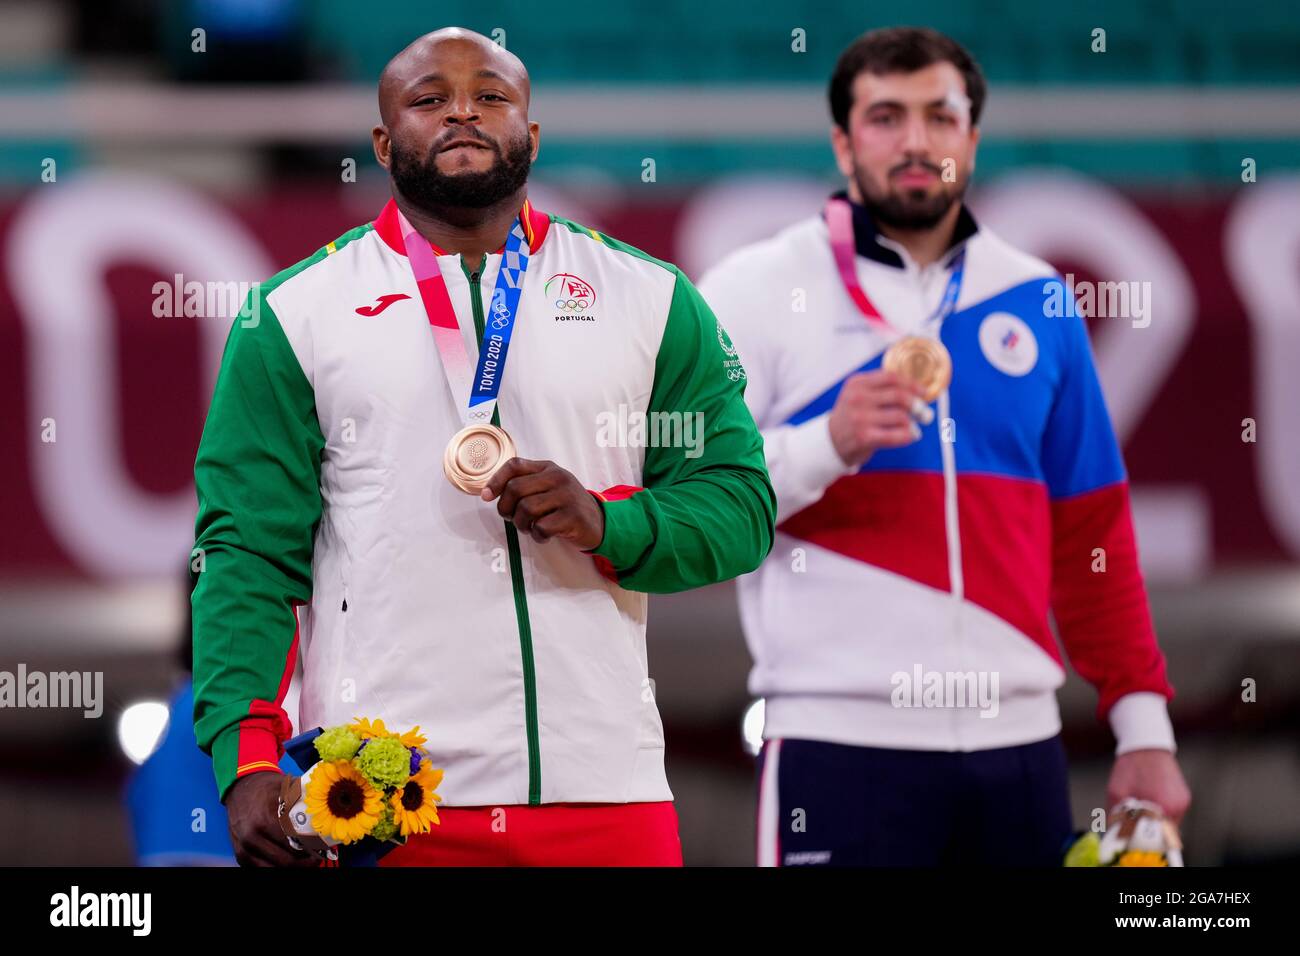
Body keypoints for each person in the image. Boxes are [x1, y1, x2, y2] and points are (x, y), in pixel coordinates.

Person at [191, 27, 775, 867]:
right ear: (384, 143)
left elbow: (741, 506)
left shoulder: (650, 299)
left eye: (491, 97)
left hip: (605, 788)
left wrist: (610, 524)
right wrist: (246, 759)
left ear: (530, 135)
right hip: (380, 795)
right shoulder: (293, 314)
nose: (462, 111)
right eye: (430, 99)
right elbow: (245, 552)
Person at [696, 26, 1190, 866]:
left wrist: (1144, 725)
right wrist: (826, 443)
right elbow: (694, 507)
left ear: (973, 136)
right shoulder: (751, 291)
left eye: (940, 116)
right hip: (836, 743)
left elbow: (1093, 536)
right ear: (843, 144)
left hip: (1024, 749)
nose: (917, 141)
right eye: (886, 117)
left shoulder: (1037, 298)